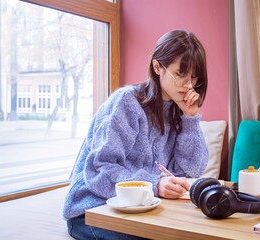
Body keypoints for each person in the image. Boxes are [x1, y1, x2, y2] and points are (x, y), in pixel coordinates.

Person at [63, 29, 209, 240]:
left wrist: (190, 119)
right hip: (93, 210)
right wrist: (155, 184)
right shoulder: (126, 103)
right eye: (180, 74)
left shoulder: (178, 108)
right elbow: (99, 170)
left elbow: (191, 169)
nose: (188, 85)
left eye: (194, 78)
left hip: (140, 208)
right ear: (158, 66)